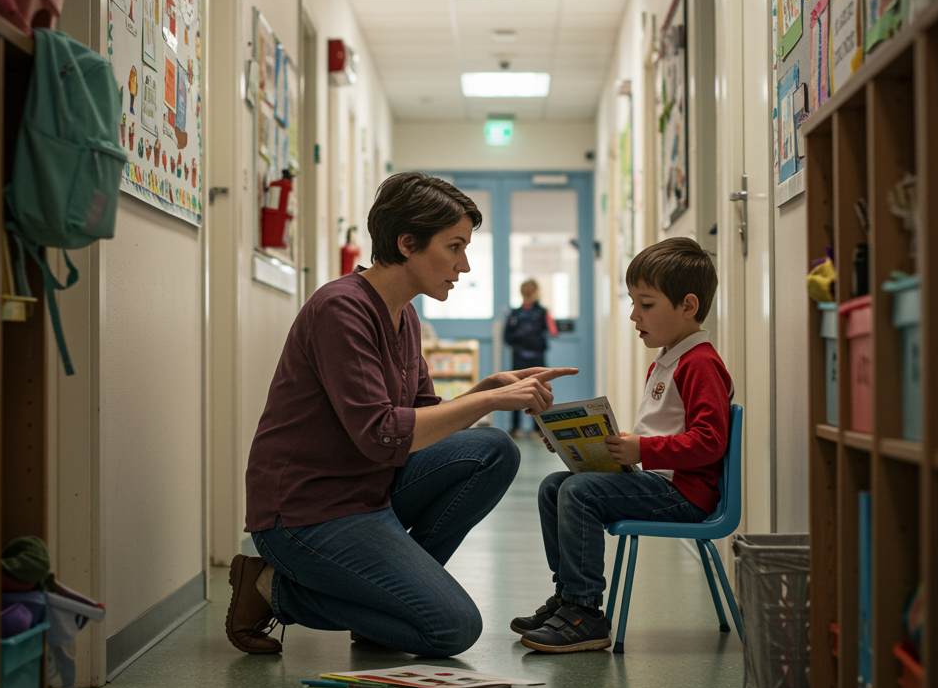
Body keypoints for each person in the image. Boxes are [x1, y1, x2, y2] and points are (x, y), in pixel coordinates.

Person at [227, 172, 578, 659]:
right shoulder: (340, 310)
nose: (465, 264)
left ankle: (390, 604)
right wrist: (490, 403)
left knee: (492, 450)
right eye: (454, 247)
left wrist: (485, 388)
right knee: (452, 630)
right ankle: (270, 589)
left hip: (368, 492)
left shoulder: (405, 315)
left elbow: (422, 419)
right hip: (306, 515)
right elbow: (381, 435)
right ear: (407, 243)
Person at [511, 237, 732, 652]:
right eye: (634, 303)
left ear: (687, 306)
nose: (634, 315)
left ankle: (584, 612)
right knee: (554, 487)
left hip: (685, 495)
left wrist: (643, 451)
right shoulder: (667, 360)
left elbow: (711, 442)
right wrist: (573, 443)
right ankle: (566, 599)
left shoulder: (701, 364)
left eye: (645, 305)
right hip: (660, 483)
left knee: (578, 491)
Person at [504, 279, 557, 439]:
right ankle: (515, 427)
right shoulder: (515, 314)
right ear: (521, 294)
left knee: (539, 391)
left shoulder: (542, 312)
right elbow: (507, 336)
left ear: (536, 293)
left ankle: (538, 428)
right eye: (525, 293)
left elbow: (553, 331)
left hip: (537, 358)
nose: (528, 296)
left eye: (530, 293)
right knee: (515, 390)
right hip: (519, 357)